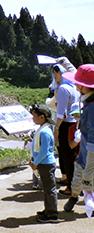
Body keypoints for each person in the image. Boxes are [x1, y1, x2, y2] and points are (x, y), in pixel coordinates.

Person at [61, 64, 94, 213]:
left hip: (89, 155)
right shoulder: (87, 102)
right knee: (78, 179)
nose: (77, 85)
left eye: (80, 83)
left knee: (86, 179)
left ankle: (80, 200)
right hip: (85, 153)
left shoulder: (92, 107)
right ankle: (74, 196)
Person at [52, 64, 80, 196]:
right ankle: (77, 185)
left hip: (65, 125)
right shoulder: (75, 88)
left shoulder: (63, 89)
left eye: (55, 73)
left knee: (66, 157)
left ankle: (70, 186)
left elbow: (61, 113)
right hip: (75, 124)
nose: (54, 76)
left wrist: (57, 128)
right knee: (74, 156)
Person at [28, 104, 59, 223]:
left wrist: (35, 162)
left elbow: (44, 151)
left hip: (45, 163)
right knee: (46, 189)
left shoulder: (45, 132)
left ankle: (52, 214)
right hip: (43, 163)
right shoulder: (44, 128)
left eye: (34, 116)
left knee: (49, 189)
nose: (33, 118)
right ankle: (48, 210)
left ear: (42, 117)